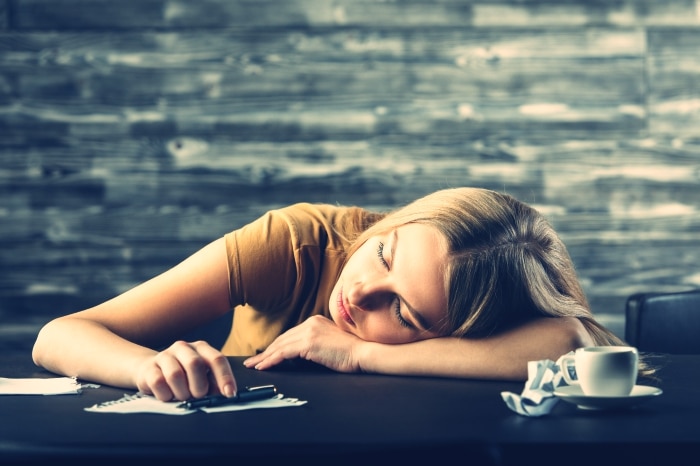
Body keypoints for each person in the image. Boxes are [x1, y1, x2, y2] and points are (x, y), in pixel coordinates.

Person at [32, 187, 634, 403]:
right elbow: (57, 336)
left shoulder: (477, 321)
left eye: (403, 310)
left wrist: (363, 353)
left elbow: (571, 338)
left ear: (462, 330)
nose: (362, 291)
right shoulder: (295, 242)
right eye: (384, 253)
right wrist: (150, 365)